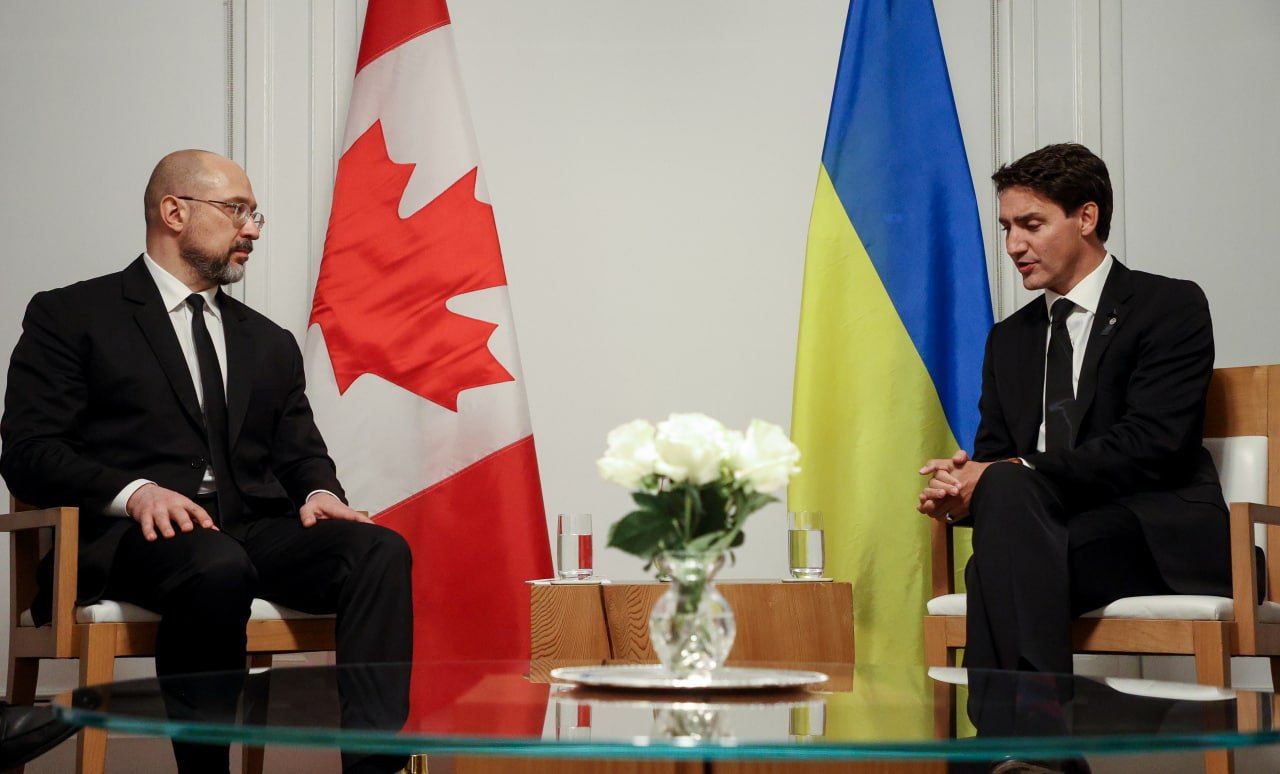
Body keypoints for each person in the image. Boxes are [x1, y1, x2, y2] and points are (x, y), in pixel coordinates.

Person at [0, 150, 412, 773]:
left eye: (255, 215)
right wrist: (136, 492)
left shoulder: (269, 342)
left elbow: (301, 453)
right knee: (216, 565)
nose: (252, 229)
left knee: (379, 551)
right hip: (131, 538)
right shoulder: (72, 316)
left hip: (249, 528)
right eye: (236, 210)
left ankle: (374, 768)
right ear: (174, 212)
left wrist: (319, 493)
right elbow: (30, 453)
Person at [916, 143, 1231, 675]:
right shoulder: (1008, 339)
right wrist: (962, 490)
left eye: (1031, 224)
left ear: (1086, 217)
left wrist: (1013, 470)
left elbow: (1154, 444)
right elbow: (996, 459)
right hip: (1044, 527)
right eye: (1006, 228)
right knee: (1011, 531)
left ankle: (1017, 725)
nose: (1014, 245)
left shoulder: (1169, 306)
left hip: (1150, 528)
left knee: (998, 566)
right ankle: (1032, 727)